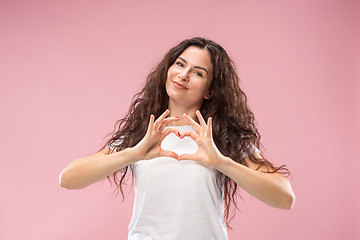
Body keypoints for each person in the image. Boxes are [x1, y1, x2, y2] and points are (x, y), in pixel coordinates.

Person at [59, 37, 295, 239]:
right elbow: (68, 178)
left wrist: (221, 162)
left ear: (210, 90)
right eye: (180, 64)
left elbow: (285, 198)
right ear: (168, 69)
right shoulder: (144, 133)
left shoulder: (222, 138)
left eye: (198, 73)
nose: (183, 75)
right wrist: (134, 153)